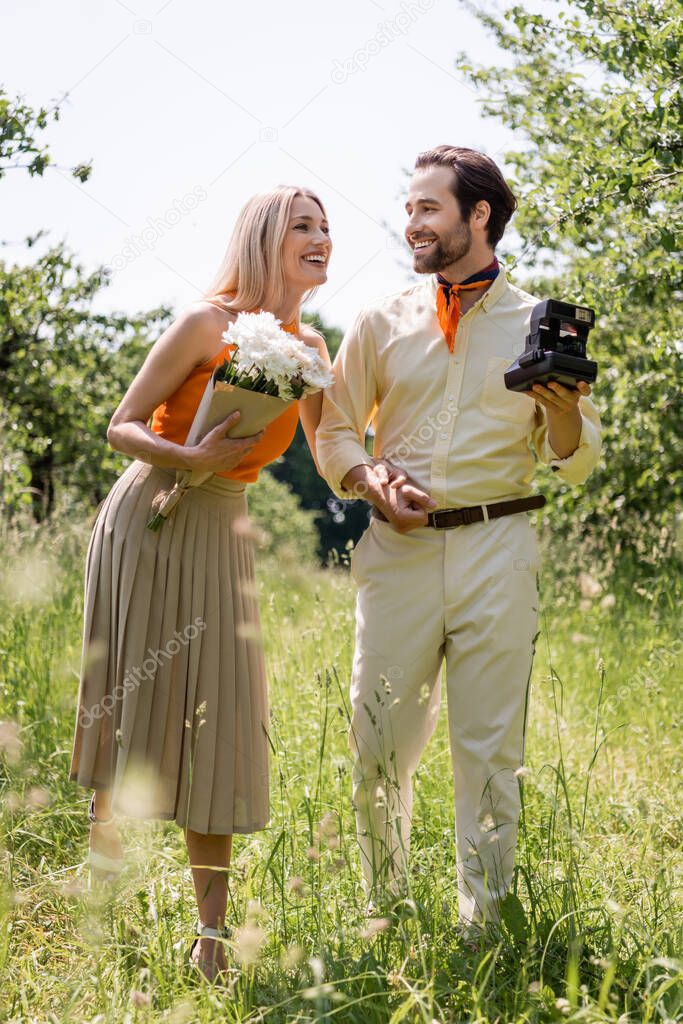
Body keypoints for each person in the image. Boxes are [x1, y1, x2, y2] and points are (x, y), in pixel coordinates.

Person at [315, 145, 601, 933]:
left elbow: (575, 462)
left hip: (498, 547)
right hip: (396, 555)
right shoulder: (379, 321)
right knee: (377, 738)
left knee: (488, 750)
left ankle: (485, 920)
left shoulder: (539, 321)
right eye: (408, 208)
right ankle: (385, 907)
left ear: (477, 215)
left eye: (427, 208)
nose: (411, 223)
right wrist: (371, 480)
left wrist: (565, 409)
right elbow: (335, 430)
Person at [68, 185, 332, 981]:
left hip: (224, 527)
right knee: (131, 700)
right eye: (303, 226)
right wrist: (186, 457)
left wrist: (383, 482)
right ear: (263, 239)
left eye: (326, 227)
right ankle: (102, 879)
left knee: (213, 715)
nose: (321, 238)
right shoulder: (201, 323)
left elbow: (332, 453)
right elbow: (120, 424)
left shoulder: (313, 347)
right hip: (147, 517)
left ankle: (209, 941)